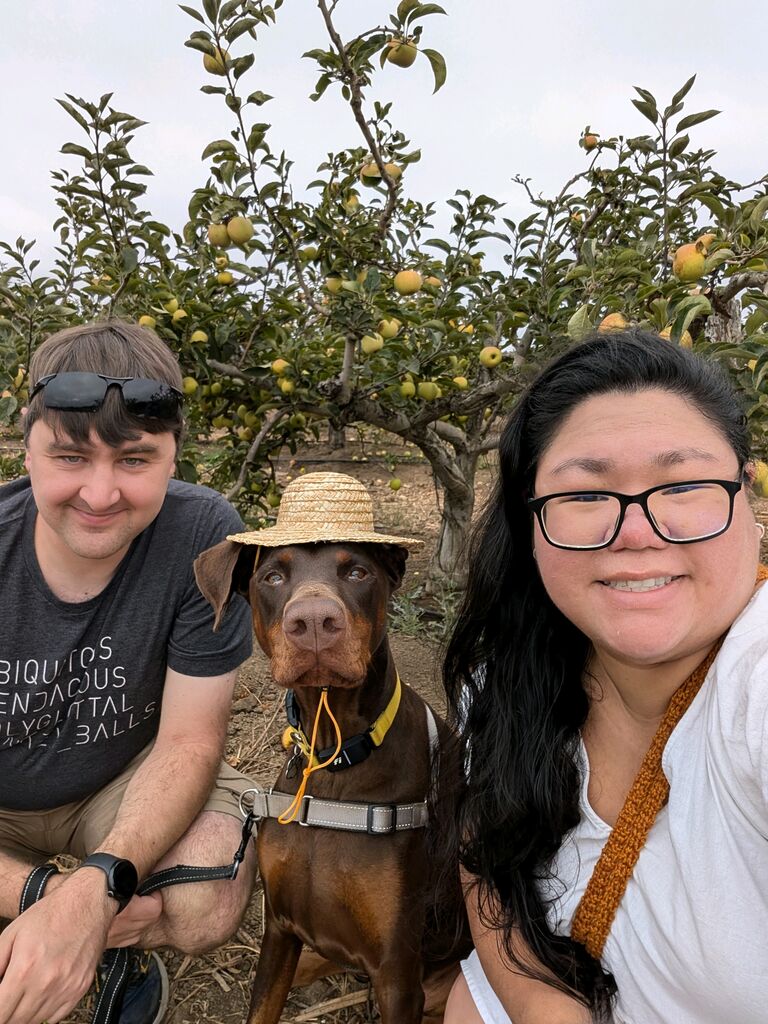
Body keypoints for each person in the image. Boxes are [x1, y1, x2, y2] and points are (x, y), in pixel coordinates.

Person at [441, 329, 768, 1024]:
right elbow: (486, 855)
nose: (636, 530)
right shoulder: (506, 681)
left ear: (749, 497)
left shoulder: (753, 687)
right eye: (586, 495)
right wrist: (537, 1002)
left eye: (682, 484)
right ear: (529, 523)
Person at [0, 321, 256, 1024]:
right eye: (71, 457)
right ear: (27, 448)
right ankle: (59, 928)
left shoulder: (203, 537)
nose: (101, 493)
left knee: (208, 899)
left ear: (174, 457)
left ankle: (99, 939)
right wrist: (47, 898)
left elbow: (188, 743)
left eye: (135, 459)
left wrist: (101, 882)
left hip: (119, 782)